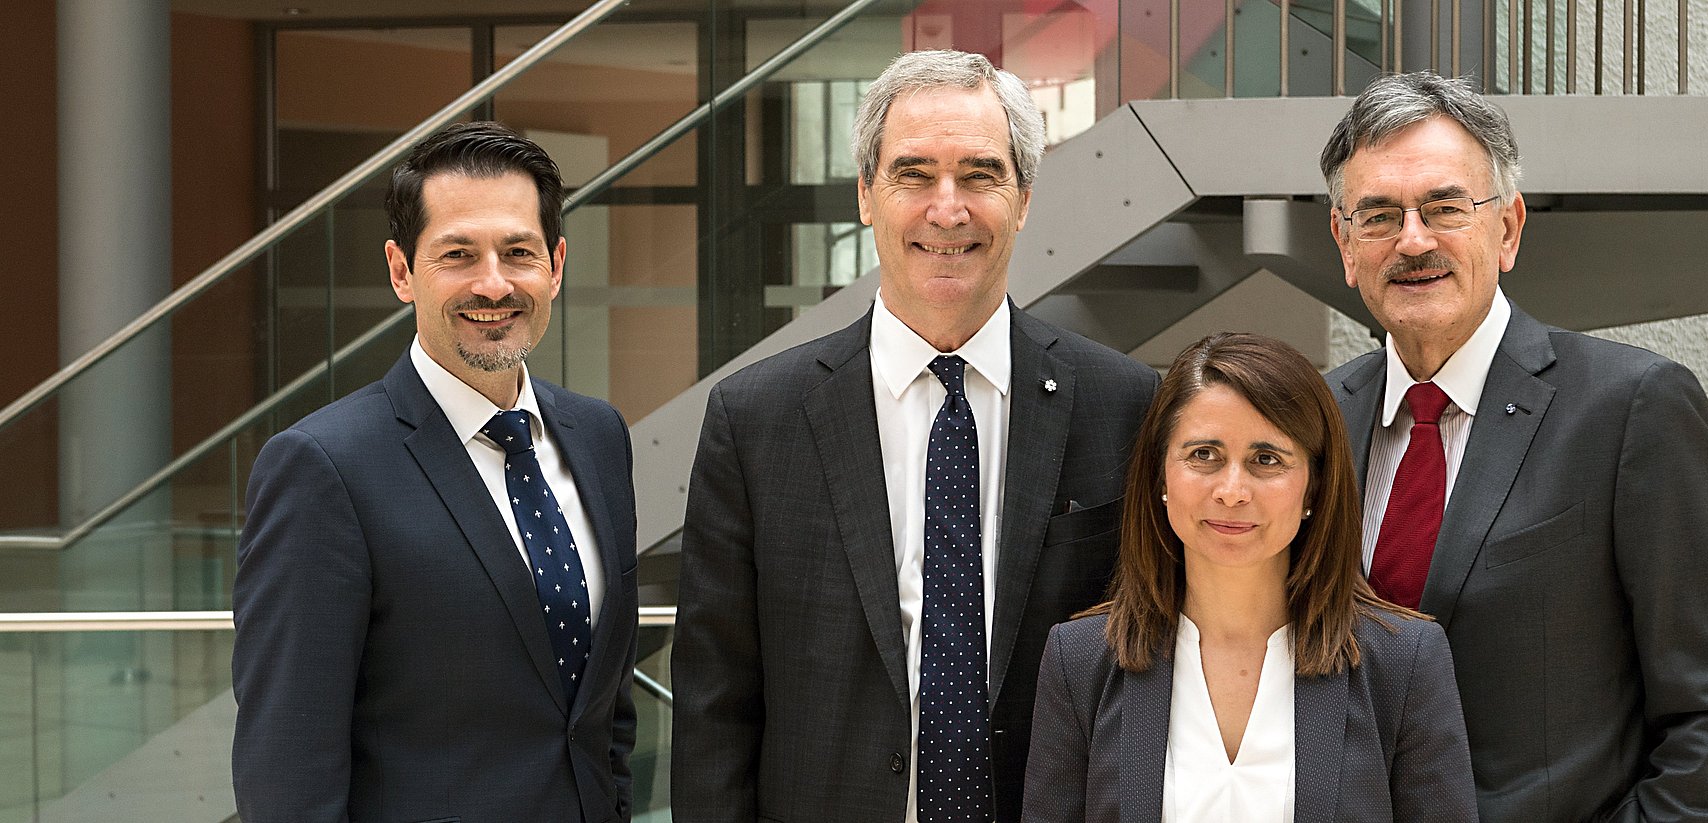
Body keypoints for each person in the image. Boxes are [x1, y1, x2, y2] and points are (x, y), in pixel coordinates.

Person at [672, 49, 1160, 823]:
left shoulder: (1125, 406)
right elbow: (714, 711)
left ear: (1024, 196)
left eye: (979, 174)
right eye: (913, 173)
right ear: (866, 194)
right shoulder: (755, 419)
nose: (947, 207)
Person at [1319, 72, 1708, 822]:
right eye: (1377, 215)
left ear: (1507, 229)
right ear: (1344, 243)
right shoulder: (1314, 423)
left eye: (1445, 206)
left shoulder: (1630, 410)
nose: (1412, 239)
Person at [231, 121, 640, 823]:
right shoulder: (322, 469)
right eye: (458, 253)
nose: (493, 282)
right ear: (400, 270)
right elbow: (287, 764)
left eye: (518, 251)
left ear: (558, 264)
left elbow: (602, 713)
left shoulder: (598, 435)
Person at [1022, 332, 1476, 823]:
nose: (1232, 491)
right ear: (1160, 478)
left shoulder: (1404, 661)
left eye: (1267, 459)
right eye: (1203, 455)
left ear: (1313, 487)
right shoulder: (1081, 659)